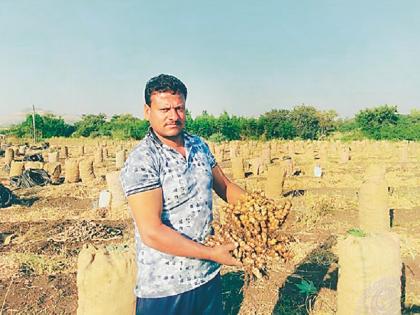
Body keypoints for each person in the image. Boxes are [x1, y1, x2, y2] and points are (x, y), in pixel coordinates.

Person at [120, 74, 246, 315]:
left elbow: (225, 187)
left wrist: (260, 207)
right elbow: (152, 232)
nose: (173, 116)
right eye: (164, 109)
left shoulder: (198, 145)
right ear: (147, 111)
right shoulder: (143, 160)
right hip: (166, 289)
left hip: (207, 276)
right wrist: (212, 253)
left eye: (179, 108)